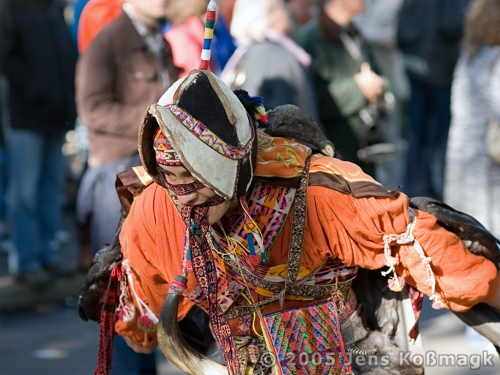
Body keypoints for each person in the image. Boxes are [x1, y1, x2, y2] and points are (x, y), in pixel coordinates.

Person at [75, 0, 179, 373]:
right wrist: (155, 119)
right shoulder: (108, 41)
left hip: (152, 174)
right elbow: (91, 108)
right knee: (123, 292)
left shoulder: (159, 39)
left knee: (150, 291)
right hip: (116, 179)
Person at [0, 0, 77, 287]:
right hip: (26, 116)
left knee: (50, 188)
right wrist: (35, 91)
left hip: (56, 115)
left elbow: (65, 57)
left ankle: (45, 254)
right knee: (24, 192)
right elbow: (6, 58)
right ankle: (26, 261)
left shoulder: (54, 7)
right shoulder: (12, 7)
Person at [295, 0, 389, 178]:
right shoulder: (311, 39)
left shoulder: (355, 33)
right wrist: (359, 88)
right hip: (335, 158)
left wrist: (379, 86)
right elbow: (313, 100)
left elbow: (377, 74)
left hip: (364, 150)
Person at [397, 0, 470, 200]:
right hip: (440, 67)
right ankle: (440, 188)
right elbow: (453, 25)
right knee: (444, 134)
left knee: (416, 130)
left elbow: (402, 27)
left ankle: (415, 185)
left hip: (417, 62)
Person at [445, 0, 500, 261]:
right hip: (486, 159)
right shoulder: (496, 57)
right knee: (489, 238)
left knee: (468, 237)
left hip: (463, 152)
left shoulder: (472, 53)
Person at [222, 0, 321, 124]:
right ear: (270, 15)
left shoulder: (248, 52)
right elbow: (303, 119)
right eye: (282, 6)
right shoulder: (278, 56)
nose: (287, 10)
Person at [353, 0, 409, 189]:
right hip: (365, 80)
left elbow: (400, 35)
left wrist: (365, 33)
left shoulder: (395, 4)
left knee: (390, 140)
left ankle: (393, 188)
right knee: (368, 142)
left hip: (389, 78)